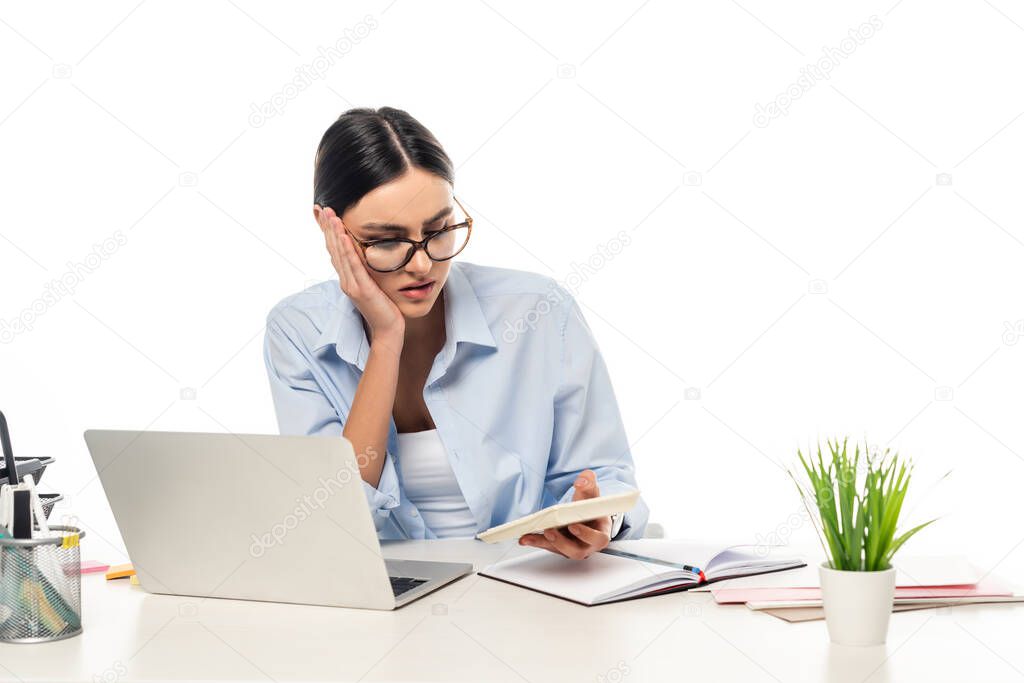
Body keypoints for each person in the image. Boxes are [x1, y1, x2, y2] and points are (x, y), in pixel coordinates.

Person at [263, 106, 648, 560]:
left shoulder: (539, 311)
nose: (423, 265)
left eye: (440, 230)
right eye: (386, 241)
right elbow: (337, 521)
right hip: (386, 600)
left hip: (529, 587)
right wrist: (387, 340)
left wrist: (599, 518)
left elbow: (609, 479)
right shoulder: (298, 331)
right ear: (331, 230)